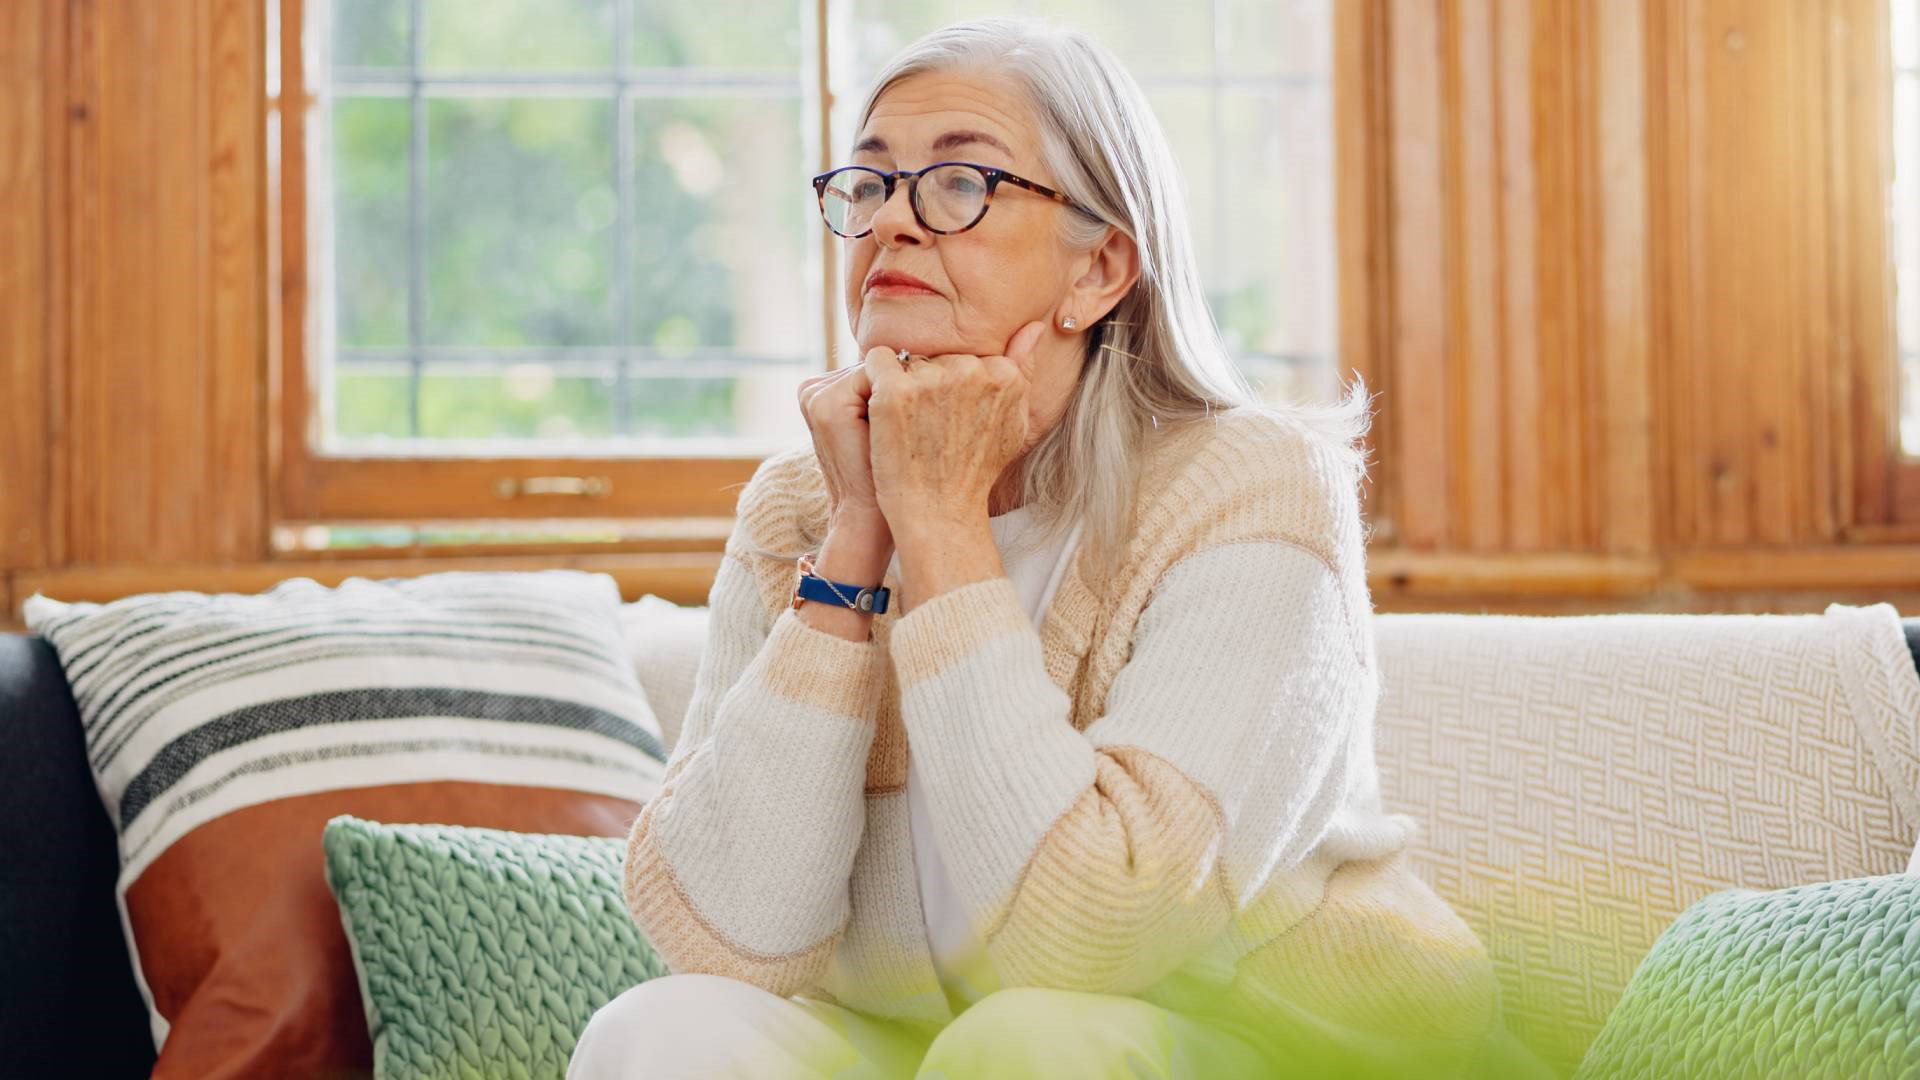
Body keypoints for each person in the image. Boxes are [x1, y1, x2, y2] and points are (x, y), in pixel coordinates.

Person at [569, 15, 1546, 1079]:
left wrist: (940, 525)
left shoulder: (1252, 488)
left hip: (1277, 1046)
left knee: (1033, 1041)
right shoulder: (802, 507)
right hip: (925, 1047)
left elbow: (1099, 936)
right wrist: (860, 537)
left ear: (1101, 270)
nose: (892, 221)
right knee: (654, 1031)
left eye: (959, 183)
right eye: (871, 183)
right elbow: (724, 937)